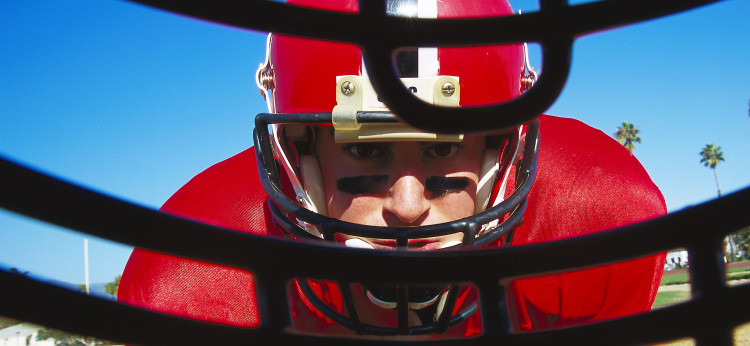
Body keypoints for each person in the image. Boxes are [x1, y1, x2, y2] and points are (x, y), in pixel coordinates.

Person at [118, 0, 667, 338]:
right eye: (366, 150)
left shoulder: (594, 214)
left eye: (441, 148)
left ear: (502, 149)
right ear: (298, 154)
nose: (408, 207)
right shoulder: (194, 282)